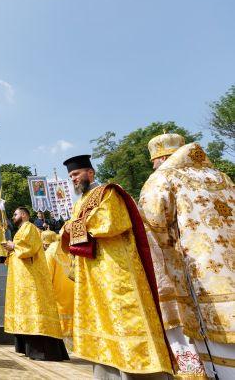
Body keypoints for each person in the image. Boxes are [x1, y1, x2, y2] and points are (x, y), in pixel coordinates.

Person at [60, 154, 172, 378]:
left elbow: (111, 222)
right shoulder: (80, 202)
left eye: (76, 174)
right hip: (92, 271)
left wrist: (72, 226)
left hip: (115, 266)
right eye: (70, 175)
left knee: (124, 316)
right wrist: (69, 228)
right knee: (101, 319)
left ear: (90, 173)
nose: (73, 179)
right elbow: (69, 231)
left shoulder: (108, 192)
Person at [140, 133, 234, 379]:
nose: (152, 165)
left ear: (161, 157)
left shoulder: (162, 178)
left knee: (216, 360)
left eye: (154, 160)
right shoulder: (221, 177)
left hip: (198, 279)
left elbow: (152, 229)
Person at [2, 207, 68, 361]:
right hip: (22, 277)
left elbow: (29, 249)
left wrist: (13, 246)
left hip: (30, 277)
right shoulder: (21, 230)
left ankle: (41, 350)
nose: (13, 216)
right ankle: (27, 348)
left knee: (34, 307)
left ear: (24, 215)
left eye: (15, 214)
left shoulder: (30, 227)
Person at [44, 235, 74, 349]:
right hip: (75, 294)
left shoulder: (51, 251)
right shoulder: (75, 247)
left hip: (58, 294)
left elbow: (47, 275)